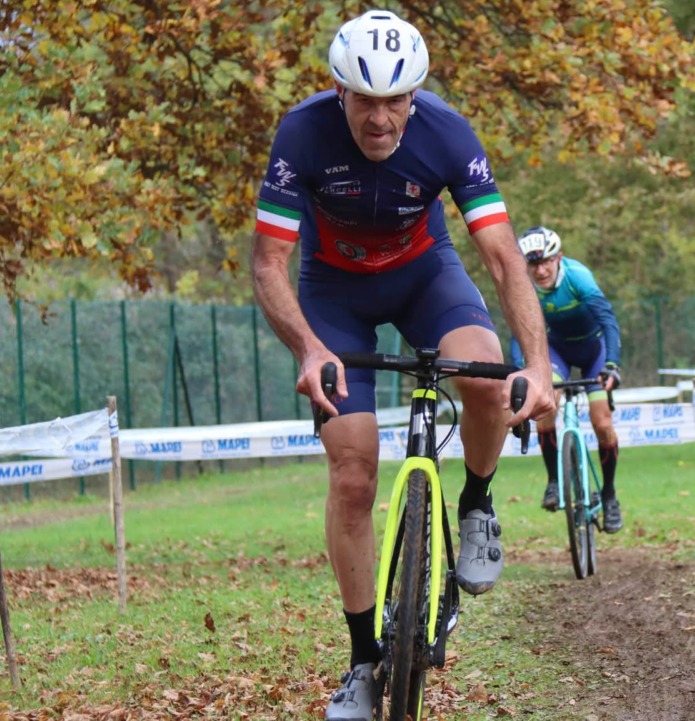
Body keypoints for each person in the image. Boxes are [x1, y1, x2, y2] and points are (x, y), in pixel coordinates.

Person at [249, 10, 554, 720]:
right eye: (364, 99)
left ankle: (476, 503)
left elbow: (506, 257)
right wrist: (309, 349)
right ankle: (363, 661)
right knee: (352, 474)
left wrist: (536, 366)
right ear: (338, 91)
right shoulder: (301, 134)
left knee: (484, 377)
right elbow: (269, 262)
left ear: (415, 97)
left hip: (426, 277)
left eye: (395, 100)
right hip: (334, 295)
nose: (380, 118)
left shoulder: (448, 133)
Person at [510, 226, 625, 533]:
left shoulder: (578, 277)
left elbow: (608, 320)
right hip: (556, 351)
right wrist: (522, 370)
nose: (541, 269)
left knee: (602, 423)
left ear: (559, 257)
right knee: (545, 410)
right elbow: (518, 334)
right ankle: (553, 482)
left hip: (593, 351)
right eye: (533, 264)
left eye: (547, 261)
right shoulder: (525, 287)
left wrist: (612, 364)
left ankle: (610, 495)